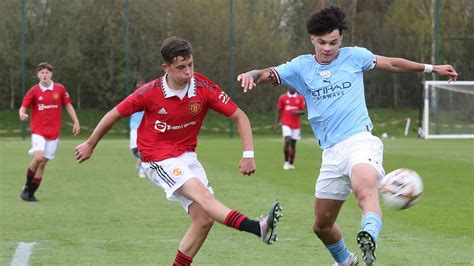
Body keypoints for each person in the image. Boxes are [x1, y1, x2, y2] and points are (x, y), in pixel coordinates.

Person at [237, 6, 457, 266]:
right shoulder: (300, 66)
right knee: (322, 225)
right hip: (330, 153)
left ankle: (369, 235)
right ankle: (344, 261)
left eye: (334, 42)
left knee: (365, 189)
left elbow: (392, 64)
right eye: (322, 43)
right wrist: (250, 75)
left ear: (341, 38)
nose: (328, 48)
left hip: (360, 142)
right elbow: (265, 74)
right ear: (312, 39)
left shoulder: (355, 57)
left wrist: (432, 68)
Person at [74, 36, 282, 265]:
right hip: (156, 158)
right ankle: (258, 228)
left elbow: (239, 116)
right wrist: (90, 144)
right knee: (204, 197)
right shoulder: (149, 92)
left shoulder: (203, 88)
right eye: (181, 67)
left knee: (204, 219)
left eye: (191, 65)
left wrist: (248, 154)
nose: (188, 72)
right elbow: (113, 114)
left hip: (187, 156)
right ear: (166, 68)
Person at [19, 62, 81, 202]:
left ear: (51, 74)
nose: (44, 75)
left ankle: (30, 194)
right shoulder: (34, 91)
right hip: (38, 131)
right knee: (38, 157)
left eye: (47, 72)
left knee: (43, 163)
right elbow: (23, 107)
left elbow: (68, 105)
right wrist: (22, 113)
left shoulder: (59, 89)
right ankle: (27, 187)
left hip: (53, 133)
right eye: (42, 72)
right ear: (38, 75)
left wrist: (76, 121)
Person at [274, 87, 305, 170]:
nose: (293, 88)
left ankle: (291, 163)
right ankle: (286, 162)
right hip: (286, 123)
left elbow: (303, 111)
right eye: (291, 86)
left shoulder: (300, 98)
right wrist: (276, 124)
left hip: (296, 125)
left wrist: (297, 112)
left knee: (293, 144)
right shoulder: (283, 98)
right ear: (288, 87)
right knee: (287, 140)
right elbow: (279, 110)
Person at [129, 78, 146, 178]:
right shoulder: (131, 97)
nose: (140, 85)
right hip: (134, 127)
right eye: (138, 84)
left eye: (142, 84)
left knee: (144, 150)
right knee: (135, 150)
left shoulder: (149, 96)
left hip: (145, 127)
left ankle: (142, 170)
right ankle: (140, 160)